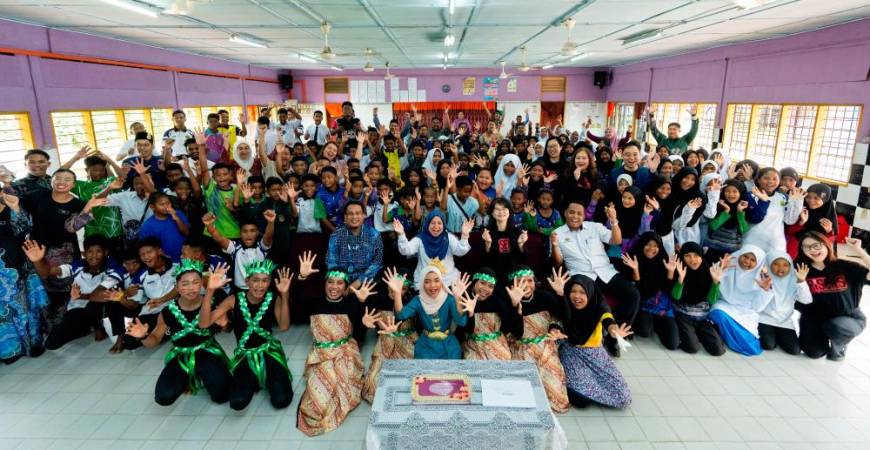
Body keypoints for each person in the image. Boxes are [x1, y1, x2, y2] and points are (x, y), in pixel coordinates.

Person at [124, 259, 232, 406]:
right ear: (177, 287)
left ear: (201, 284)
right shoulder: (168, 312)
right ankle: (187, 376)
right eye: (185, 284)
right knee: (163, 397)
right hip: (181, 355)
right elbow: (154, 340)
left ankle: (206, 374)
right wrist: (143, 336)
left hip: (207, 352)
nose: (191, 288)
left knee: (222, 396)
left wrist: (225, 324)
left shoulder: (212, 302)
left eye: (195, 283)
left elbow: (227, 329)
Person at [197, 260, 295, 411]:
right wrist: (209, 291)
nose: (260, 285)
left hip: (268, 352)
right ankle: (253, 379)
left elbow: (284, 326)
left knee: (281, 400)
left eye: (264, 280)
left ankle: (269, 377)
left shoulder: (272, 297)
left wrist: (284, 295)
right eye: (255, 280)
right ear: (247, 281)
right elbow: (204, 323)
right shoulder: (234, 299)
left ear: (269, 281)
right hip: (245, 356)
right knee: (237, 402)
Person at [552, 200, 640, 354]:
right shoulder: (557, 233)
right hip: (582, 276)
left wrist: (613, 221)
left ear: (584, 215)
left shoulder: (594, 227)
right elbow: (558, 262)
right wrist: (554, 245)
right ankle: (598, 336)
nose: (575, 216)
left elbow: (616, 240)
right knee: (597, 301)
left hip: (605, 271)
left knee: (633, 295)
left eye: (579, 213)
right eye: (571, 212)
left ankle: (614, 336)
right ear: (565, 213)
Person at [296, 264, 367, 436]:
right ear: (325, 284)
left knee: (343, 389)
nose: (334, 287)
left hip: (345, 352)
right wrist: (301, 278)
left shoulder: (351, 303)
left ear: (346, 287)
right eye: (330, 282)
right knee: (318, 402)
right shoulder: (315, 303)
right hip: (321, 355)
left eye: (339, 283)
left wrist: (362, 305)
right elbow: (297, 303)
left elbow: (359, 335)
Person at [550, 274, 632, 409]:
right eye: (573, 291)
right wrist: (555, 330)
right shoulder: (564, 302)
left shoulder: (599, 306)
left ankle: (588, 389)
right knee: (581, 401)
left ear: (590, 292)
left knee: (623, 397)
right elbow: (556, 320)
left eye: (582, 292)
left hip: (594, 352)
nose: (577, 296)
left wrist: (613, 330)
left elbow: (608, 319)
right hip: (571, 349)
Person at [22, 236, 120, 349]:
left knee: (99, 304)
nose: (94, 255)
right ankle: (85, 329)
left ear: (105, 252)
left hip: (99, 308)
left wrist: (81, 296)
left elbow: (103, 294)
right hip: (77, 311)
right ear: (84, 253)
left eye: (98, 251)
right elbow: (47, 272)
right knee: (52, 343)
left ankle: (98, 327)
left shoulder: (113, 267)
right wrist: (38, 261)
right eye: (90, 252)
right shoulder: (77, 266)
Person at [796, 233, 869, 360]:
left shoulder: (845, 266)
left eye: (816, 245)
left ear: (826, 244)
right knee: (814, 352)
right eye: (807, 247)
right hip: (814, 318)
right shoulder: (800, 268)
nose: (813, 250)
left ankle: (839, 346)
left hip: (846, 317)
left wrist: (858, 249)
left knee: (836, 326)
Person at [506, 266, 569, 413]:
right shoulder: (508, 300)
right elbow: (517, 334)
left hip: (545, 344)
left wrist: (560, 294)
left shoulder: (544, 297)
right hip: (521, 346)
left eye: (529, 280)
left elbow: (563, 317)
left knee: (557, 397)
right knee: (522, 395)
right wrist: (516, 306)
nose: (527, 285)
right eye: (521, 281)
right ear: (513, 284)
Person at [386, 265, 475, 359]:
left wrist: (458, 298)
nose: (433, 285)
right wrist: (397, 293)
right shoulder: (418, 300)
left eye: (437, 280)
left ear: (441, 281)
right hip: (425, 346)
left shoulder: (449, 299)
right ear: (422, 284)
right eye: (427, 281)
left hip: (449, 347)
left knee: (450, 373)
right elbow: (401, 315)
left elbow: (461, 322)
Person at [361, 266, 417, 403]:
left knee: (410, 381)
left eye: (402, 288)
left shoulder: (413, 300)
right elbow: (369, 316)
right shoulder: (376, 297)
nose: (395, 290)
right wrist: (364, 316)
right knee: (373, 383)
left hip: (408, 340)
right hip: (385, 341)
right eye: (393, 286)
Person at [708, 245, 774, 356]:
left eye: (753, 260)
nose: (747, 261)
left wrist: (766, 290)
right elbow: (712, 296)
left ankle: (722, 334)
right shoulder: (728, 266)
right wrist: (721, 269)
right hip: (723, 305)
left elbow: (758, 307)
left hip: (745, 311)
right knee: (718, 314)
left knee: (751, 346)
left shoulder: (762, 279)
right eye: (745, 256)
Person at [622, 232, 679, 350]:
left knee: (673, 344)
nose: (651, 249)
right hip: (645, 305)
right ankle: (652, 323)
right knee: (643, 331)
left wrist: (670, 272)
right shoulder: (633, 259)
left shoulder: (664, 261)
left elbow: (669, 290)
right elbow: (639, 294)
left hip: (663, 308)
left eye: (655, 246)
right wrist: (636, 270)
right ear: (642, 244)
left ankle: (658, 324)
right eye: (648, 244)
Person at [669, 242, 726, 356]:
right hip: (683, 316)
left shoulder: (708, 271)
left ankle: (696, 334)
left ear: (701, 256)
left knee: (718, 350)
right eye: (687, 256)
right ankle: (690, 334)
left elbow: (712, 301)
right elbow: (676, 297)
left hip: (702, 318)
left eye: (696, 256)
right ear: (682, 257)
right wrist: (681, 279)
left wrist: (715, 282)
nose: (692, 260)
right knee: (692, 348)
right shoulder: (679, 270)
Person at [395, 211, 472, 288]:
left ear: (443, 225)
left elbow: (460, 251)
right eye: (432, 223)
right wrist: (401, 234)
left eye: (439, 223)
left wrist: (465, 235)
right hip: (425, 281)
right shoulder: (420, 239)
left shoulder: (449, 237)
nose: (436, 226)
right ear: (427, 224)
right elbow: (405, 250)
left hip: (447, 281)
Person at [758, 251, 812, 355]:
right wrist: (766, 288)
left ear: (790, 266)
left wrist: (801, 281)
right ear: (769, 264)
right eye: (776, 264)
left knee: (795, 350)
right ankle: (771, 335)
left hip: (785, 322)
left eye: (785, 265)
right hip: (765, 319)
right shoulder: (764, 278)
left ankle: (776, 334)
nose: (781, 268)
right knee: (768, 345)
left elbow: (806, 300)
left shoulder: (794, 279)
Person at [455, 268, 514, 360]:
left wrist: (514, 304)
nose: (486, 289)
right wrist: (471, 313)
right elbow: (464, 330)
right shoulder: (466, 299)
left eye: (490, 286)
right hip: (473, 346)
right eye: (482, 283)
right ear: (474, 282)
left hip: (496, 345)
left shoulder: (498, 302)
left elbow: (507, 327)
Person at [326, 201, 383, 288]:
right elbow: (331, 261)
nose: (354, 217)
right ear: (345, 217)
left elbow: (377, 262)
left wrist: (360, 281)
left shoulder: (374, 235)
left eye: (358, 213)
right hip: (341, 281)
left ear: (364, 215)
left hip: (366, 282)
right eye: (350, 214)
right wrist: (340, 282)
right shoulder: (336, 235)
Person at [785, 183, 837, 259]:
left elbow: (830, 242)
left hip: (814, 253)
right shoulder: (801, 209)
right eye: (808, 197)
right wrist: (802, 222)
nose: (811, 200)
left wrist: (828, 231)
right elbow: (789, 232)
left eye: (816, 198)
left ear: (825, 200)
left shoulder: (829, 217)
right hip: (795, 249)